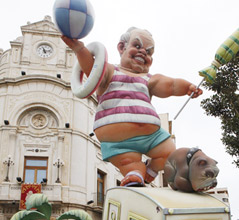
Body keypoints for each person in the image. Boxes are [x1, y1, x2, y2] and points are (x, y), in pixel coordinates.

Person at [62, 27, 202, 187]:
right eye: (137, 46)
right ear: (122, 48)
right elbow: (91, 68)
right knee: (127, 161)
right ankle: (135, 173)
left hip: (152, 136)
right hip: (117, 138)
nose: (143, 52)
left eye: (149, 52)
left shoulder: (149, 79)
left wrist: (187, 88)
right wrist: (80, 49)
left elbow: (171, 85)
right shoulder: (109, 71)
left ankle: (150, 171)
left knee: (170, 152)